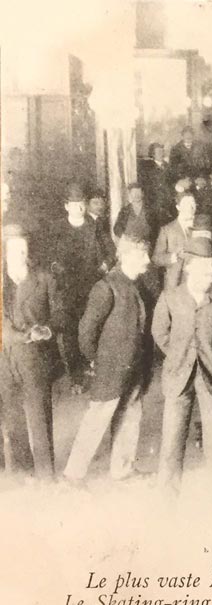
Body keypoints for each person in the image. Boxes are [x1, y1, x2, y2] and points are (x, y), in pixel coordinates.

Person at [62, 235, 152, 483]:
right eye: (142, 255)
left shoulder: (137, 286)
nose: (147, 260)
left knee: (129, 414)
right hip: (111, 369)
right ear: (126, 256)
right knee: (97, 417)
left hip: (133, 366)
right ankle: (72, 475)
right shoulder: (106, 287)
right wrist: (98, 360)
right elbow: (86, 332)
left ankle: (122, 469)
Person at [152, 236, 212, 494]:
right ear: (188, 267)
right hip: (178, 376)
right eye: (203, 268)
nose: (210, 274)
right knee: (171, 444)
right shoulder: (170, 298)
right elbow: (160, 333)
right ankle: (167, 501)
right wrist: (181, 354)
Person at [0, 225, 64, 480]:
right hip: (5, 356)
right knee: (13, 412)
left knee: (39, 412)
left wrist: (48, 330)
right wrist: (24, 335)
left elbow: (61, 313)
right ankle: (25, 470)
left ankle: (46, 472)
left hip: (35, 357)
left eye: (24, 249)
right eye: (14, 250)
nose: (20, 254)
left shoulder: (45, 278)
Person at [50, 184, 106, 394]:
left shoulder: (94, 225)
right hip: (68, 289)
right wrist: (56, 268)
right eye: (75, 204)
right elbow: (50, 257)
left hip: (92, 286)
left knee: (93, 327)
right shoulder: (58, 228)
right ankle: (76, 376)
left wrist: (105, 265)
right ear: (67, 206)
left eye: (82, 204)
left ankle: (94, 367)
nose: (79, 208)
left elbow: (109, 250)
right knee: (71, 333)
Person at [153, 191, 197, 291]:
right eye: (186, 204)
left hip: (197, 281)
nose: (190, 207)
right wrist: (172, 257)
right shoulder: (167, 229)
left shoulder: (202, 227)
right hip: (175, 282)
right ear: (178, 207)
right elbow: (156, 258)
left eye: (193, 203)